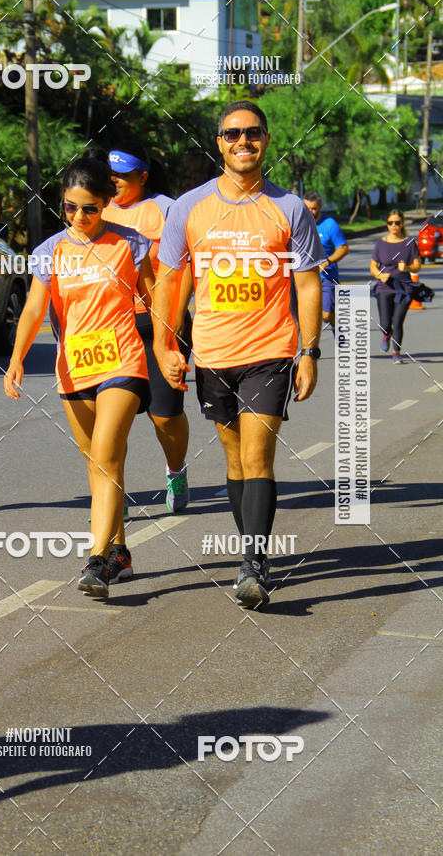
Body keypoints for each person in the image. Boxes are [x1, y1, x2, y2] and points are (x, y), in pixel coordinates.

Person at [152, 100, 323, 608]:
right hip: (211, 353)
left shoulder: (288, 207)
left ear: (266, 140)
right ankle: (250, 553)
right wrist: (165, 343)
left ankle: (254, 563)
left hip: (270, 349)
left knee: (257, 457)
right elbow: (171, 281)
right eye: (232, 134)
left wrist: (309, 351)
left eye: (252, 133)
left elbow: (308, 284)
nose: (242, 142)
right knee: (233, 461)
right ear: (219, 142)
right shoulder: (189, 207)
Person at [4, 156, 154, 598]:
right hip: (74, 369)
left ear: (106, 203)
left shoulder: (131, 244)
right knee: (98, 465)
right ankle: (120, 551)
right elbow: (34, 308)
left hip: (123, 363)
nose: (79, 217)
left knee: (106, 455)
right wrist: (16, 358)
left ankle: (95, 561)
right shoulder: (50, 252)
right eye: (70, 207)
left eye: (89, 208)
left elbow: (158, 297)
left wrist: (170, 349)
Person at [102, 140, 194, 513]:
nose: (115, 182)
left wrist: (170, 327)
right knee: (112, 416)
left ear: (143, 176)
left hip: (160, 321)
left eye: (123, 176)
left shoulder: (167, 210)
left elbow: (184, 267)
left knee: (165, 415)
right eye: (110, 176)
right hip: (110, 325)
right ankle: (113, 490)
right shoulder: (96, 209)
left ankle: (176, 471)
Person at [370, 208, 421, 364]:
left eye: (397, 223)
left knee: (398, 321)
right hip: (384, 287)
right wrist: (379, 275)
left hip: (404, 288)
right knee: (385, 323)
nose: (393, 226)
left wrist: (406, 268)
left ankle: (396, 353)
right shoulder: (380, 243)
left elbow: (417, 266)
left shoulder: (409, 243)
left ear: (402, 224)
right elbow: (373, 266)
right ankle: (386, 334)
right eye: (390, 223)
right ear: (387, 224)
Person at [302, 191, 349, 333]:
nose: (310, 212)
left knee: (327, 315)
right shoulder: (299, 223)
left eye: (314, 208)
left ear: (321, 206)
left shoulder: (329, 224)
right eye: (307, 208)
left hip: (327, 278)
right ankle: (309, 352)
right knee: (303, 318)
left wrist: (328, 261)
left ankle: (342, 330)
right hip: (304, 278)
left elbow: (343, 248)